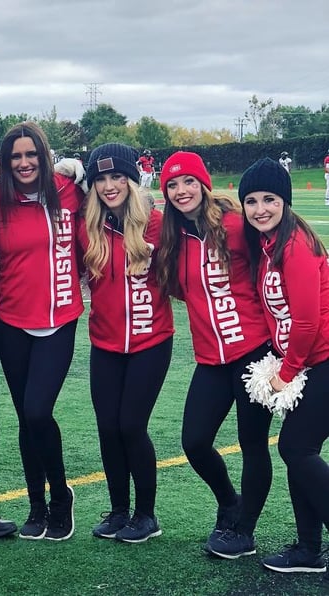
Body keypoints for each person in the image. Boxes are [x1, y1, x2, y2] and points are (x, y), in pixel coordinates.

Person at [157, 151, 274, 560]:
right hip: (210, 360)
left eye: (188, 182)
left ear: (203, 185)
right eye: (172, 185)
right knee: (194, 441)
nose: (180, 191)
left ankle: (244, 531)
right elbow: (178, 289)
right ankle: (229, 502)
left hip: (254, 354)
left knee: (252, 443)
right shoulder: (175, 238)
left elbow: (273, 268)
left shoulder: (237, 226)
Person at [0, 122, 83, 541]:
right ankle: (36, 506)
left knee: (39, 410)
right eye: (15, 156)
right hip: (11, 320)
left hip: (59, 319)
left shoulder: (71, 191)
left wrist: (85, 170)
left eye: (31, 154)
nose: (24, 163)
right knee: (26, 419)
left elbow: (122, 193)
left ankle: (61, 498)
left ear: (44, 155)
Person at [77, 143, 174, 543]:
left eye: (117, 176)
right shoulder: (90, 228)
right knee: (107, 427)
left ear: (132, 179)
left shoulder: (156, 224)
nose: (109, 185)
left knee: (131, 425)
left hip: (151, 341)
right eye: (100, 178)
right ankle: (119, 510)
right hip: (105, 343)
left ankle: (146, 515)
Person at [239, 158, 329, 576]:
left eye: (270, 199)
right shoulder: (267, 244)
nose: (260, 208)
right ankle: (309, 549)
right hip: (308, 362)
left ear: (285, 202)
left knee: (296, 448)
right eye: (252, 201)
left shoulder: (295, 246)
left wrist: (286, 372)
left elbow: (309, 321)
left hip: (322, 361)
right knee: (296, 449)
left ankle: (311, 546)